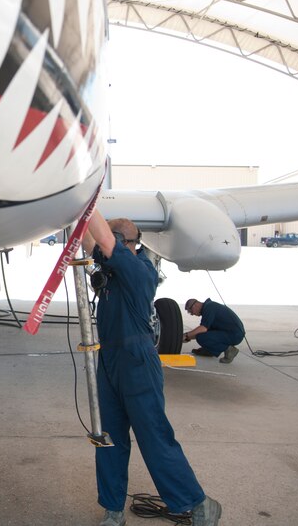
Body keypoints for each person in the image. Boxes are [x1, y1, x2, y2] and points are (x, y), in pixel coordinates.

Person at [81, 210, 221, 526]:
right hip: (110, 360)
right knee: (108, 438)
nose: (102, 248)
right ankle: (113, 510)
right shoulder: (114, 266)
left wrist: (80, 194)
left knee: (154, 436)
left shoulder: (138, 270)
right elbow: (89, 240)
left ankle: (198, 504)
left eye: (110, 240)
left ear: (124, 242)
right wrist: (71, 214)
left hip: (137, 361)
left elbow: (101, 239)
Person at [183, 298, 245, 364]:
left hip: (235, 335)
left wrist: (186, 335)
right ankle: (210, 351)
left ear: (195, 305)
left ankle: (230, 350)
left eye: (190, 311)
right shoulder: (209, 306)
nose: (192, 314)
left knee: (201, 337)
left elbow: (203, 329)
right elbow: (204, 330)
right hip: (232, 333)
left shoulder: (209, 307)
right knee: (203, 334)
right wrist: (188, 337)